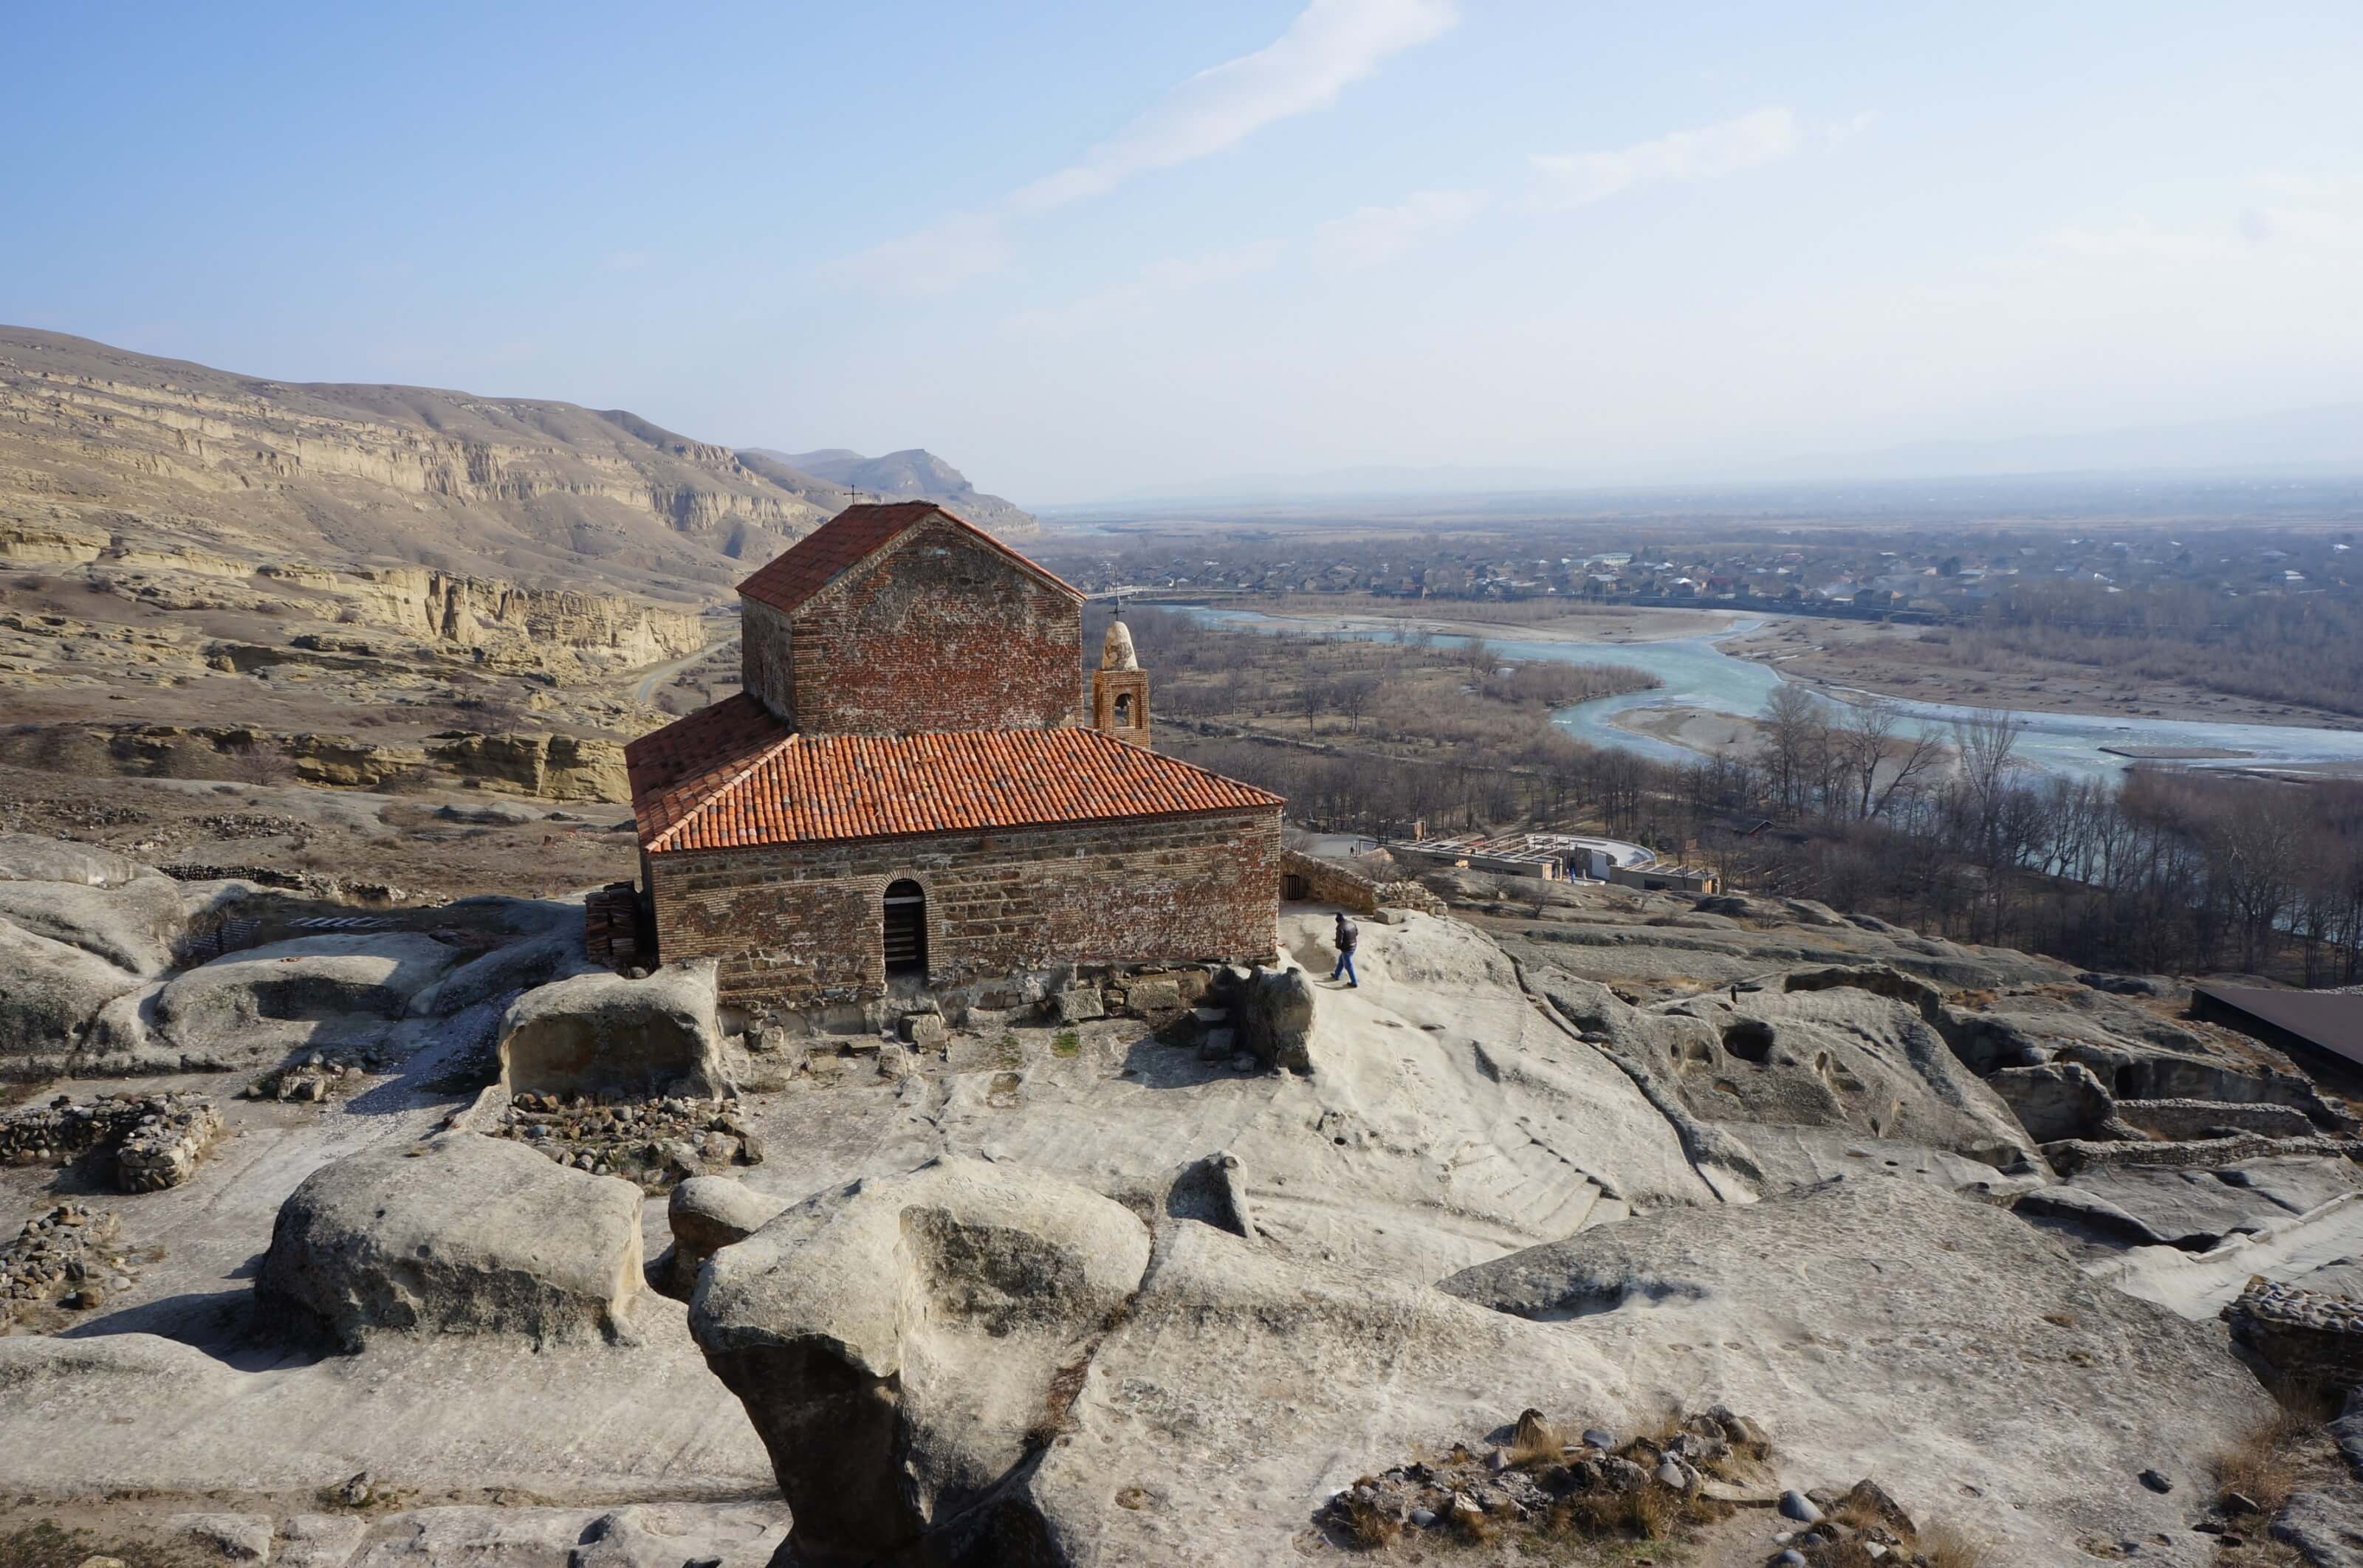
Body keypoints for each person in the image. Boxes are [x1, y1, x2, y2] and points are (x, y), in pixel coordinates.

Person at [1329, 912, 1359, 987]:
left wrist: (1338, 946)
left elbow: (1339, 942)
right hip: (1354, 945)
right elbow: (1356, 933)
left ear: (1338, 921)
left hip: (1347, 949)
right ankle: (1337, 975)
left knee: (1348, 965)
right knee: (1341, 960)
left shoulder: (1340, 928)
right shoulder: (1352, 923)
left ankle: (1354, 982)